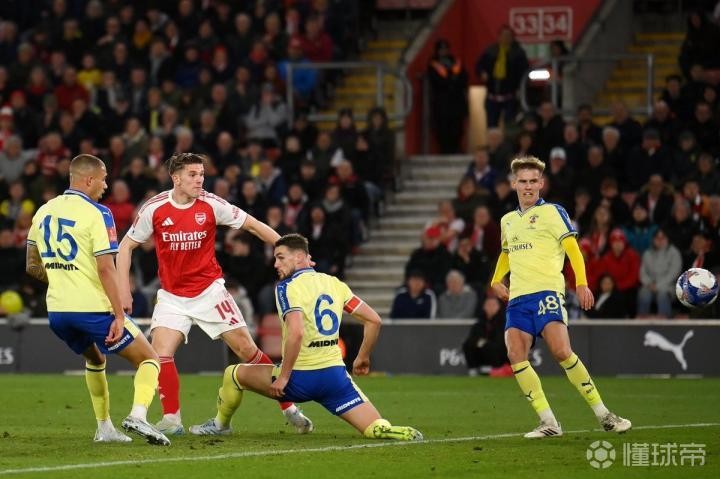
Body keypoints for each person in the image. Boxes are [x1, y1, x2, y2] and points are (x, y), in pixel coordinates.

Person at [116, 153, 312, 436]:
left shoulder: (211, 204)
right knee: (160, 355)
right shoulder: (154, 208)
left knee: (247, 351)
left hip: (210, 292)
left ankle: (289, 407)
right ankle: (171, 420)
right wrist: (124, 290)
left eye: (201, 174)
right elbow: (125, 247)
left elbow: (254, 225)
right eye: (193, 175)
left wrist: (291, 254)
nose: (200, 180)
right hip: (172, 296)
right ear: (176, 178)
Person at [188, 233, 422, 441]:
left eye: (281, 257)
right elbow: (374, 320)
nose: (275, 263)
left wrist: (284, 377)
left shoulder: (286, 287)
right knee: (374, 427)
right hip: (334, 379)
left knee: (233, 374)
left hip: (299, 379)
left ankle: (220, 426)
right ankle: (387, 430)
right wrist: (363, 357)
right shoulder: (334, 283)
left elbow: (297, 332)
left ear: (300, 257)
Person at [25, 154, 169, 446]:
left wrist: (65, 279)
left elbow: (31, 264)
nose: (105, 186)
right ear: (89, 179)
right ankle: (138, 416)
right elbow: (106, 268)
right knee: (150, 359)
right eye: (103, 179)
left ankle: (104, 428)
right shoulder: (98, 213)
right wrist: (119, 315)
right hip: (93, 309)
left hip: (58, 312)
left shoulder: (43, 211)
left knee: (95, 358)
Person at [490, 156, 631, 438]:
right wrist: (496, 279)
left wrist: (582, 283)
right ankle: (549, 422)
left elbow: (573, 249)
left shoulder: (553, 212)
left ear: (541, 183)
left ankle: (604, 414)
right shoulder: (508, 221)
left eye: (533, 181)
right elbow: (507, 253)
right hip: (518, 298)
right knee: (516, 355)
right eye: (523, 181)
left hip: (547, 292)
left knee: (561, 352)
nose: (528, 186)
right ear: (514, 184)